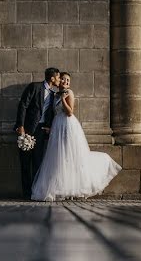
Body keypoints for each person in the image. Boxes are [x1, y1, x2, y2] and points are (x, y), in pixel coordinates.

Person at [31, 72, 121, 201]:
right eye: (63, 79)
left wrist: (63, 98)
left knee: (70, 154)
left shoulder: (69, 93)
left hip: (68, 125)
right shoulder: (54, 95)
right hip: (57, 126)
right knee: (58, 156)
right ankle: (60, 187)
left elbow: (69, 112)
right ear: (59, 81)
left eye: (68, 80)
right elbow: (53, 113)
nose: (66, 81)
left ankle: (74, 187)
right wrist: (50, 127)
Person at [15, 67, 62, 200]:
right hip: (27, 130)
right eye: (58, 77)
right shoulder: (34, 87)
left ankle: (35, 192)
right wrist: (21, 126)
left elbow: (52, 113)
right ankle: (26, 194)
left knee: (37, 162)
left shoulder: (53, 95)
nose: (59, 80)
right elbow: (23, 105)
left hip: (41, 132)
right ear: (52, 78)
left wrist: (49, 127)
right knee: (25, 163)